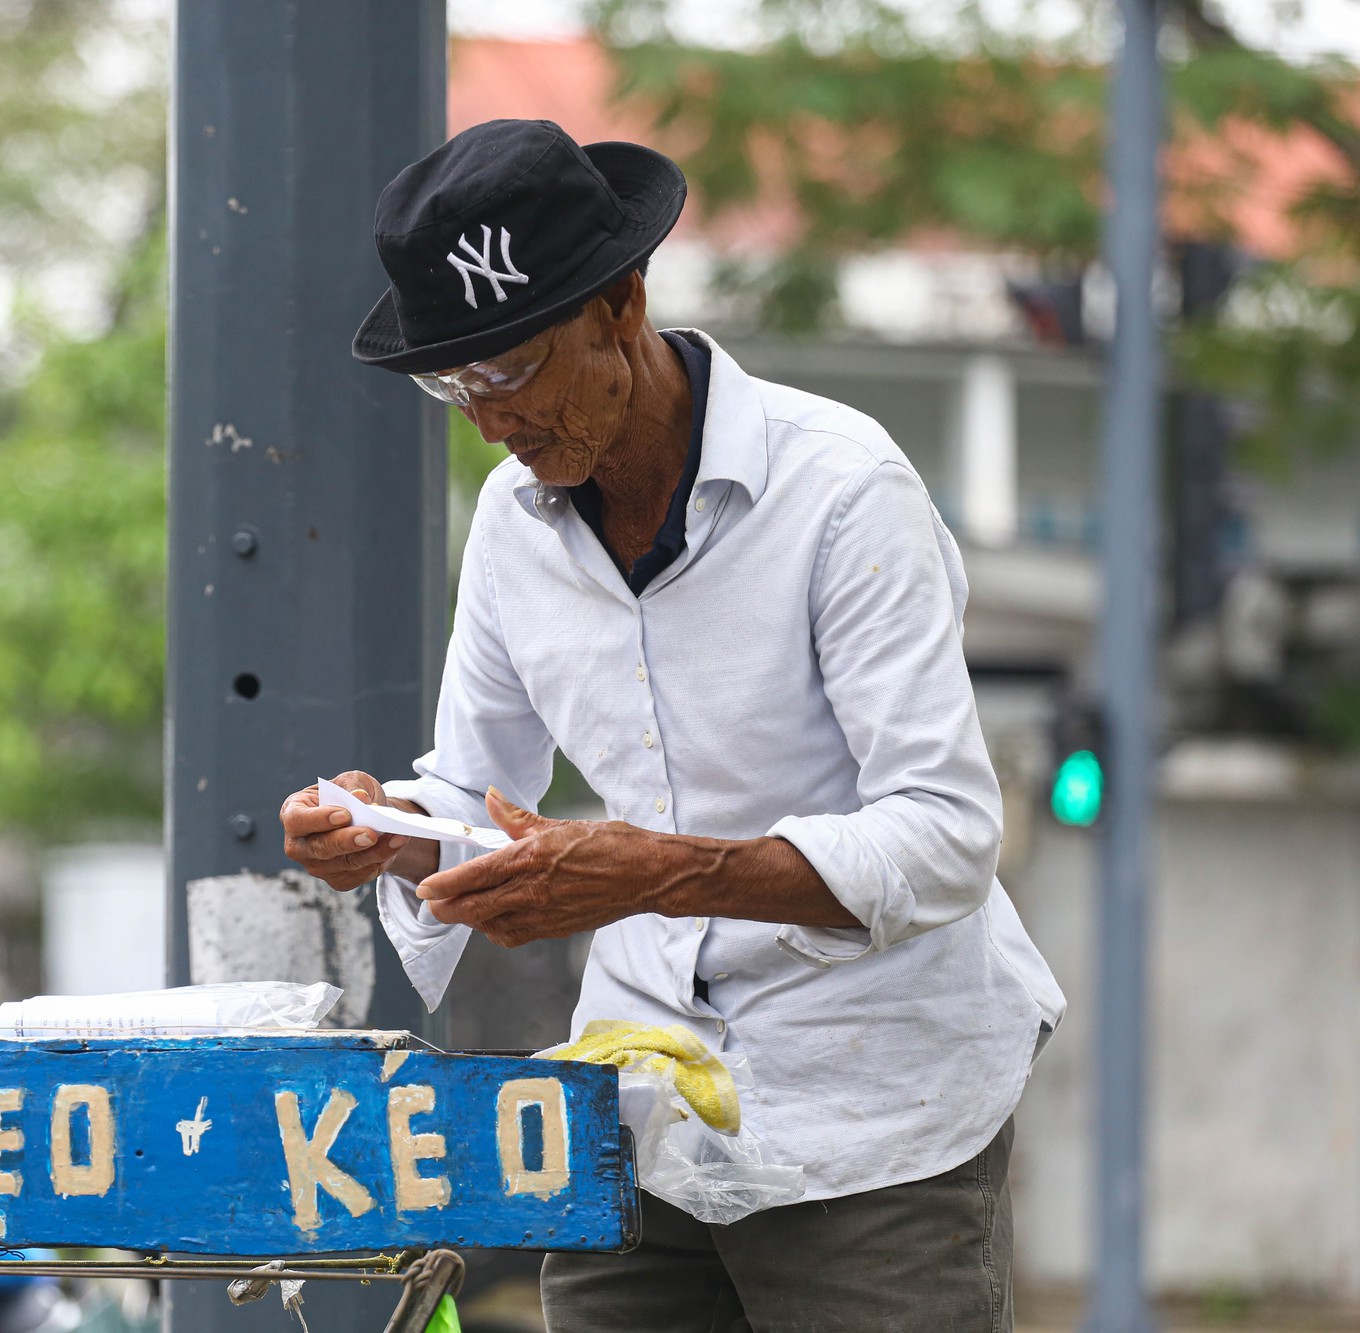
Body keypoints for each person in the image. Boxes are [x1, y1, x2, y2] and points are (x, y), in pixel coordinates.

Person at [279, 119, 1064, 1332]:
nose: (487, 420)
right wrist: (388, 830)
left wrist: (655, 874)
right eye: (452, 382)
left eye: (509, 369)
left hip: (874, 1117)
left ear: (620, 305)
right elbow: (472, 792)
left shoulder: (842, 490)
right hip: (642, 1106)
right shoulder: (509, 521)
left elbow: (945, 835)